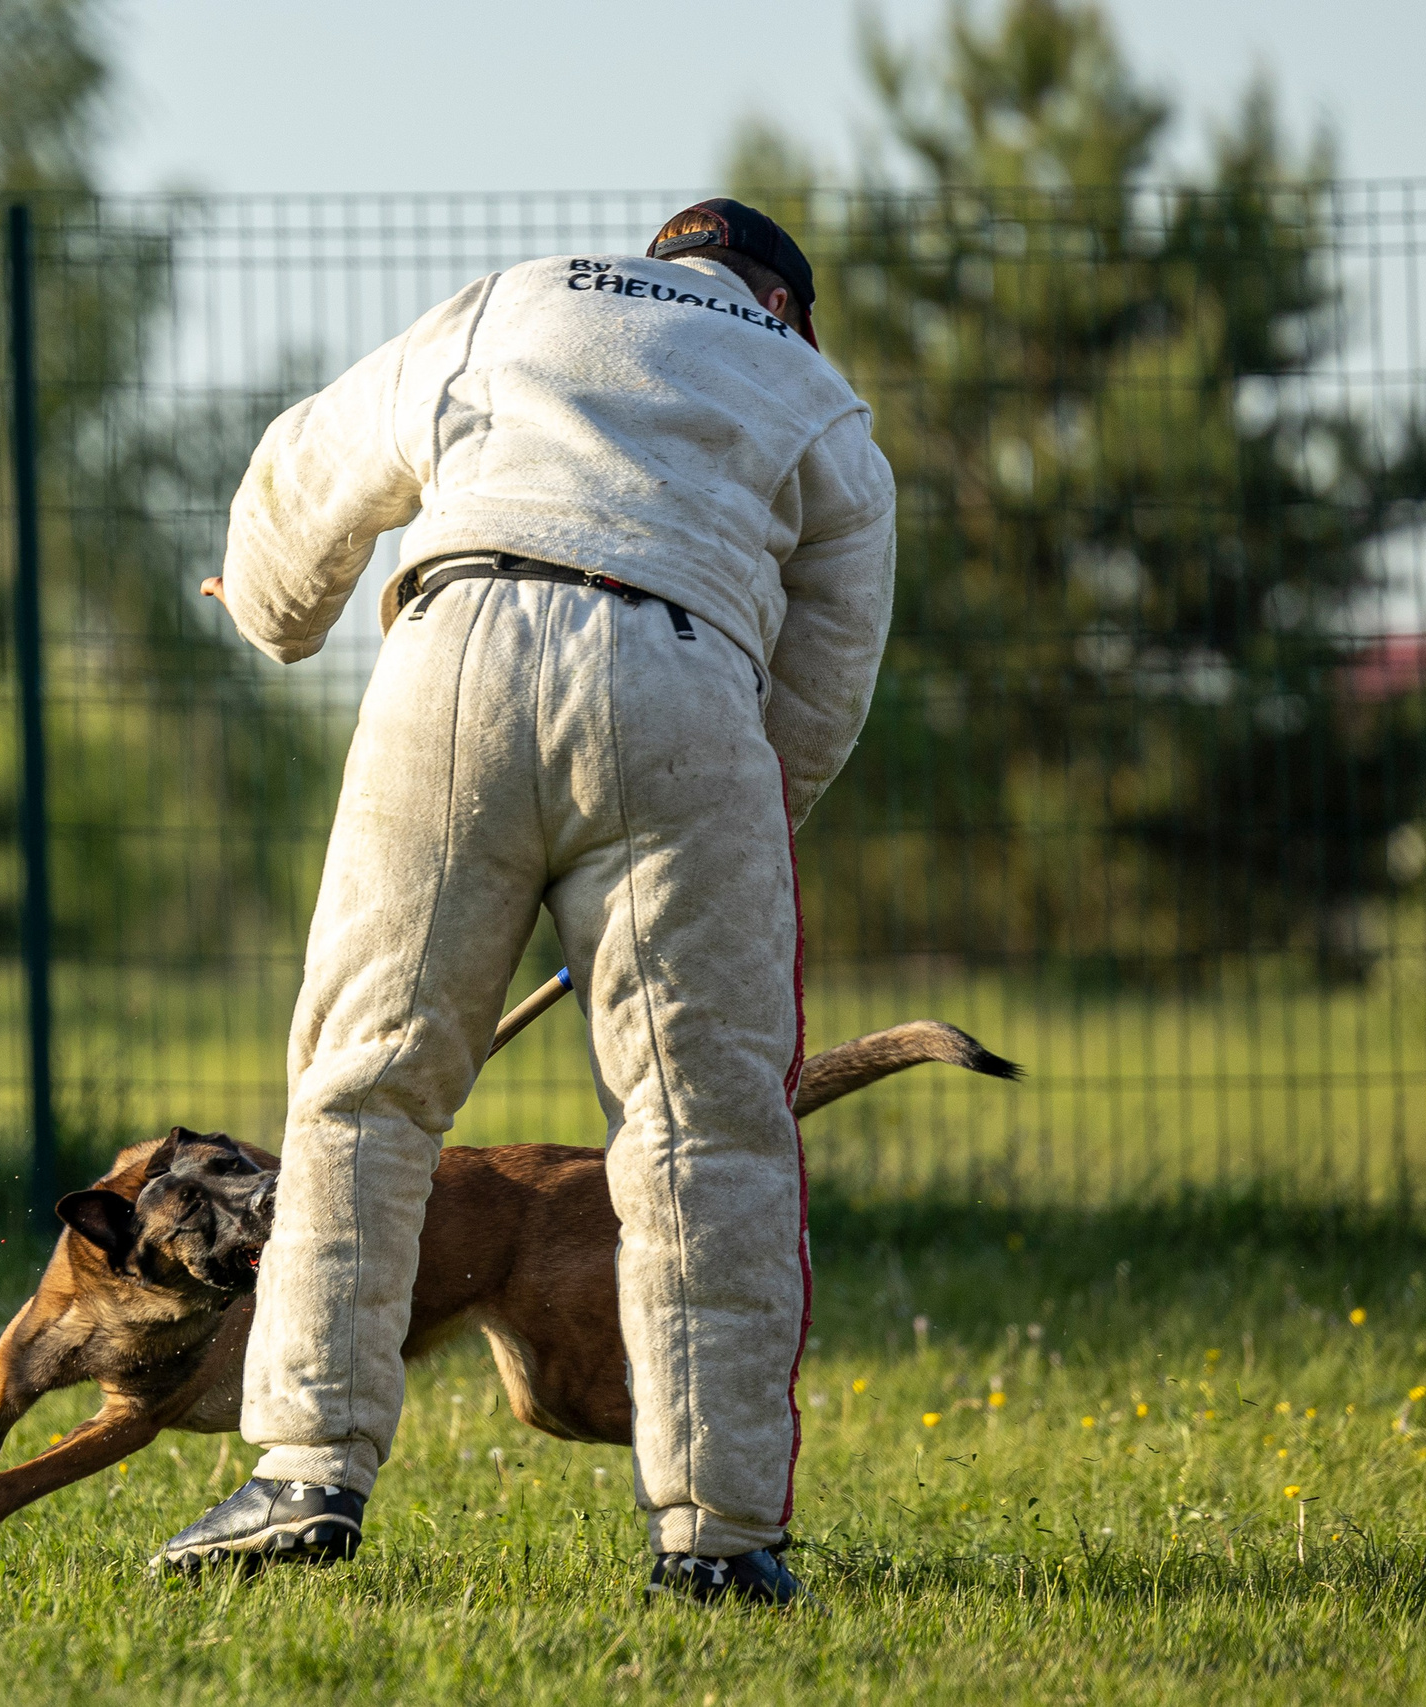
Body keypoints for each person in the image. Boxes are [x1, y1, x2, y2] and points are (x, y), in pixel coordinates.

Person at [154, 200, 896, 1606]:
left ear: (665, 258)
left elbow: (324, 452)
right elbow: (827, 678)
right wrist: (737, 837)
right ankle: (721, 1538)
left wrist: (270, 608)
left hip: (454, 649)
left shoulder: (528, 292)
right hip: (685, 679)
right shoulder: (815, 396)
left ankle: (303, 1473)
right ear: (783, 304)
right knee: (704, 1138)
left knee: (362, 1088)